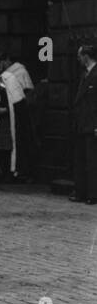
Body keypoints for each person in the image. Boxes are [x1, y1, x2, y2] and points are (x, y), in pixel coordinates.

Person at [71, 44, 97, 204]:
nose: (78, 58)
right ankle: (82, 191)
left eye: (79, 55)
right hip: (82, 124)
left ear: (86, 56)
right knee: (81, 160)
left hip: (92, 125)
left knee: (92, 161)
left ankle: (93, 194)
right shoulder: (84, 74)